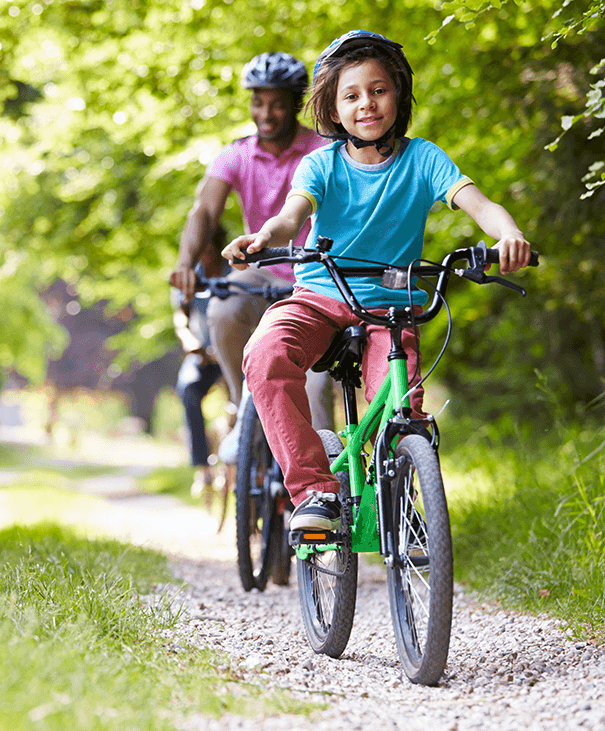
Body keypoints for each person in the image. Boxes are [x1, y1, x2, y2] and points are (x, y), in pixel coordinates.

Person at [225, 30, 532, 532]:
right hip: (320, 298)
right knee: (265, 355)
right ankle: (315, 494)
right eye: (351, 95)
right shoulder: (320, 164)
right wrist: (263, 237)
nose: (367, 103)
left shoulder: (423, 159)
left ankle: (403, 496)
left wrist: (509, 235)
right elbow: (289, 217)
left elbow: (482, 206)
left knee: (401, 408)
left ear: (399, 94)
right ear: (333, 108)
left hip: (391, 310)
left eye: (379, 90)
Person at [168, 52, 334, 465]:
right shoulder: (236, 154)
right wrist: (187, 262)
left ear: (295, 104)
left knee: (316, 394)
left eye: (277, 103)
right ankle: (246, 410)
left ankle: (332, 496)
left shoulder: (321, 149)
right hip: (259, 270)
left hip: (314, 273)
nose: (266, 112)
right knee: (223, 309)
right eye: (258, 102)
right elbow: (204, 211)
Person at [173, 223, 230, 502]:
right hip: (204, 355)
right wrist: (189, 340)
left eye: (208, 248)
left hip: (234, 351)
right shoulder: (191, 274)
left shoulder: (236, 269)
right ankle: (202, 468)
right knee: (188, 391)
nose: (204, 255)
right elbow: (180, 316)